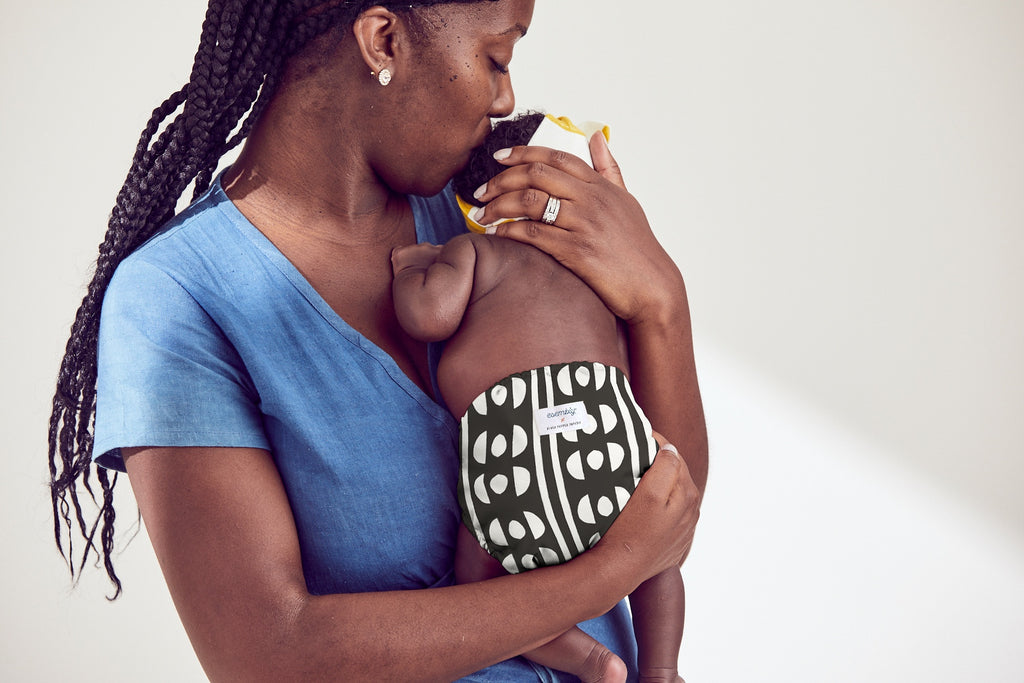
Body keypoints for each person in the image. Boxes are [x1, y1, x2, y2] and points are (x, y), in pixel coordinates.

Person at [47, 2, 707, 681]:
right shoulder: (178, 296)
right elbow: (267, 654)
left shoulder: (490, 211)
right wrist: (610, 572)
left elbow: (660, 499)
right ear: (383, 39)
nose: (506, 95)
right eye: (497, 58)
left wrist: (659, 300)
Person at [392, 112, 686, 683]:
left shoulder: (477, 254)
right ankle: (662, 668)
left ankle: (592, 660)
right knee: (659, 558)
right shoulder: (602, 280)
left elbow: (428, 316)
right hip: (611, 459)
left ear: (479, 208)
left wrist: (415, 267)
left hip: (511, 476)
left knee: (479, 586)